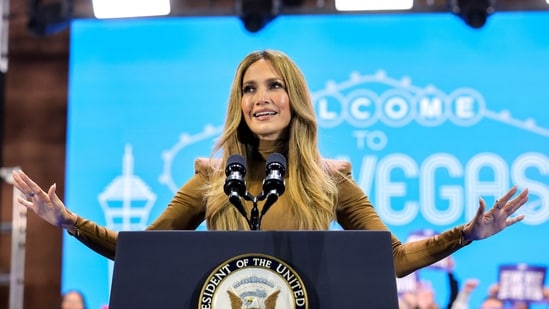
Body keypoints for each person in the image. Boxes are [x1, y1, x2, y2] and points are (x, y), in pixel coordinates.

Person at [11, 49, 528, 278]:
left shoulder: (331, 181)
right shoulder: (211, 181)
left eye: (274, 85)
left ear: (294, 97)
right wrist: (69, 222)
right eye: (249, 88)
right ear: (239, 103)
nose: (261, 98)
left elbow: (389, 260)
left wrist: (466, 234)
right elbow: (143, 254)